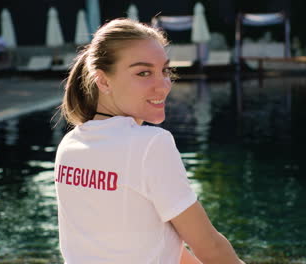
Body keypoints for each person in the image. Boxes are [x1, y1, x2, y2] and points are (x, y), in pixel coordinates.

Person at [54, 18, 245, 264]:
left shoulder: (70, 144)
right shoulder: (151, 144)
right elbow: (210, 247)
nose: (163, 85)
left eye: (164, 71)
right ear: (103, 81)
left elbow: (161, 247)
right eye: (143, 73)